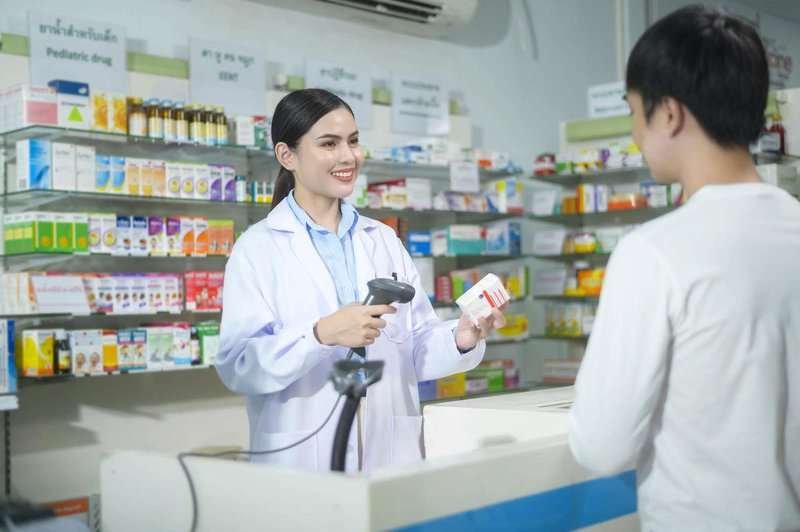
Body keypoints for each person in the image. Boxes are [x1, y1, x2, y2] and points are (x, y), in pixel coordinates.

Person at [569, 5, 800, 530]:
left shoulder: (654, 252)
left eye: (634, 113)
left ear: (668, 113)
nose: (634, 133)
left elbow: (602, 446)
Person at [216, 89, 506, 472]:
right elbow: (238, 365)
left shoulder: (382, 240)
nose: (347, 156)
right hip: (301, 453)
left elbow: (415, 345)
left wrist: (463, 336)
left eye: (353, 141)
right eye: (328, 144)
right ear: (287, 155)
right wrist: (320, 334)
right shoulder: (258, 249)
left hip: (386, 446)